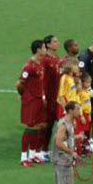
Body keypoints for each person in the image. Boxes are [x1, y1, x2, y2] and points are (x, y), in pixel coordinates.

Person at [16, 39, 47, 167]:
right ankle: (24, 157)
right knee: (30, 127)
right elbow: (19, 83)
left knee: (40, 126)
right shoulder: (29, 66)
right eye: (44, 47)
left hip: (39, 99)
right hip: (31, 100)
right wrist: (24, 95)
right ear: (38, 49)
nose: (45, 50)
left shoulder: (40, 64)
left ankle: (33, 155)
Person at [52, 101, 82, 184]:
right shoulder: (63, 125)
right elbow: (58, 142)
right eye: (77, 109)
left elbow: (67, 138)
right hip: (61, 162)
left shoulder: (69, 124)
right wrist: (71, 152)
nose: (79, 112)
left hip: (67, 162)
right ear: (70, 110)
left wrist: (77, 137)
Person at [41, 34, 61, 162]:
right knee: (46, 124)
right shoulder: (45, 60)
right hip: (48, 96)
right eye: (54, 41)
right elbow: (42, 80)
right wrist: (43, 96)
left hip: (56, 96)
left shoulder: (56, 58)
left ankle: (45, 149)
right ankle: (41, 150)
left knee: (52, 123)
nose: (57, 43)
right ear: (47, 44)